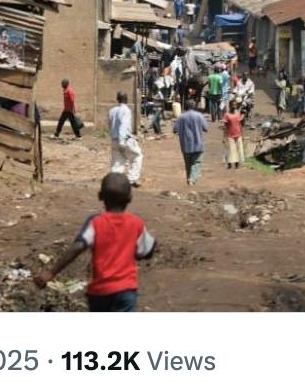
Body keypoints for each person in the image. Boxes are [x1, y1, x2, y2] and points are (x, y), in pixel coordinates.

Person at [34, 173, 155, 312]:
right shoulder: (136, 223)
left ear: (100, 196)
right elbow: (147, 250)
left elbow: (78, 246)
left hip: (100, 292)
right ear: (130, 198)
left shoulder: (95, 222)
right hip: (126, 290)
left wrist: (50, 273)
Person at [108, 92, 143, 186]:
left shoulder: (112, 110)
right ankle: (132, 179)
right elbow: (123, 126)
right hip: (124, 139)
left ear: (117, 99)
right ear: (126, 99)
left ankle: (114, 180)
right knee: (137, 156)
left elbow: (110, 125)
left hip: (114, 139)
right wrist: (122, 140)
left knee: (118, 161)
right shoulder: (126, 110)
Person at [172, 104, 210, 185]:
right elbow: (206, 128)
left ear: (185, 107)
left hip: (185, 145)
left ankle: (189, 179)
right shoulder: (199, 116)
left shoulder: (181, 117)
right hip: (198, 144)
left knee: (188, 163)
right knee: (196, 162)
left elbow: (175, 130)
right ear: (194, 107)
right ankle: (192, 179)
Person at [223, 100, 245, 169]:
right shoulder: (227, 115)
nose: (234, 106)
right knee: (231, 150)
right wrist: (224, 136)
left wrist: (242, 134)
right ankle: (229, 164)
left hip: (238, 134)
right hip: (230, 135)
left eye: (235, 105)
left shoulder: (238, 113)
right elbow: (225, 126)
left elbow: (240, 124)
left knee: (238, 149)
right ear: (230, 106)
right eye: (232, 105)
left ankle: (237, 164)